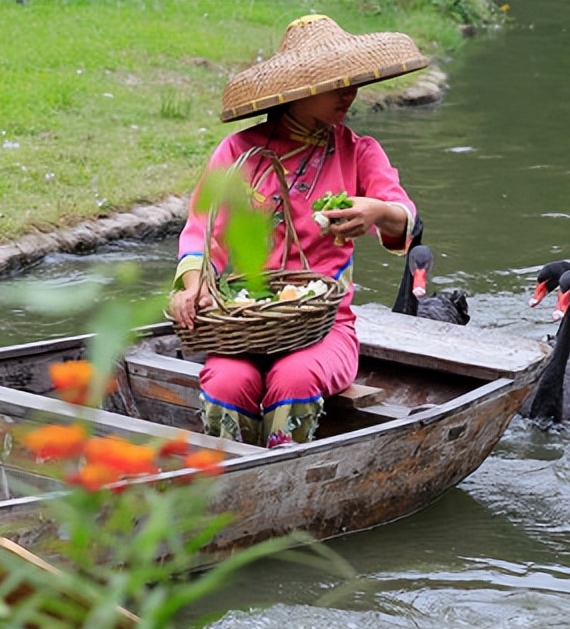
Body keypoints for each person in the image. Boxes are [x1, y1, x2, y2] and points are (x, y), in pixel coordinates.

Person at [168, 15, 427, 447]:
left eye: (353, 80)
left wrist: (378, 211)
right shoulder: (238, 152)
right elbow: (202, 231)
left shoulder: (359, 152)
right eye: (334, 82)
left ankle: (280, 473)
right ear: (296, 90)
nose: (350, 91)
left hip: (327, 327)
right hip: (246, 324)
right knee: (227, 381)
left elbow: (407, 221)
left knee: (294, 376)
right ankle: (227, 478)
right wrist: (192, 286)